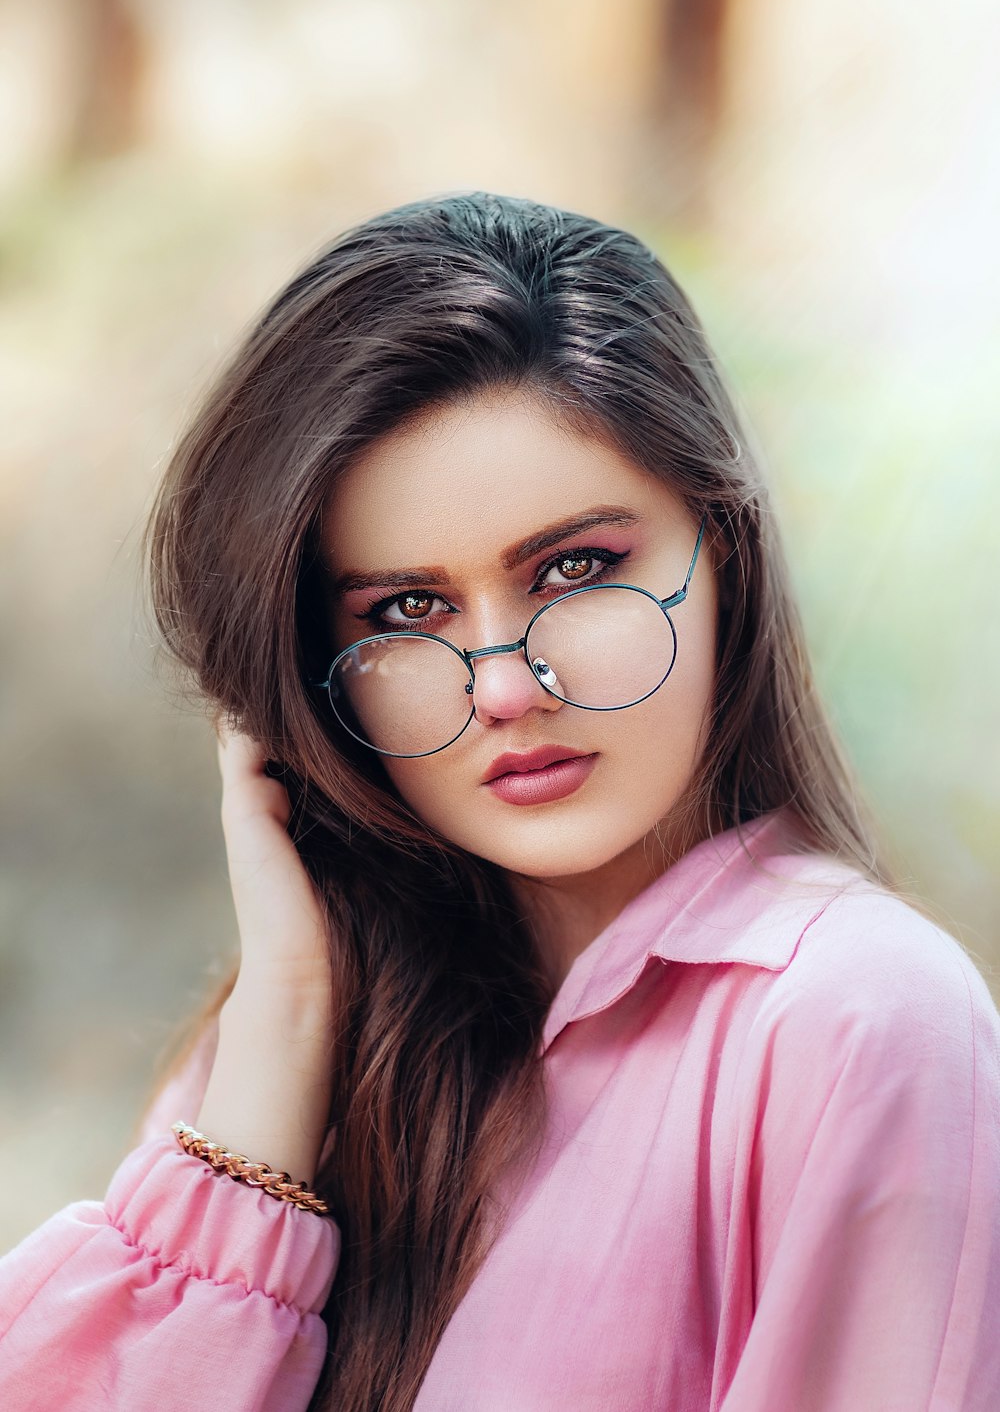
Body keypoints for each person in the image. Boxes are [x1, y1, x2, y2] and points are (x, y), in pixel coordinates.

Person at [0, 191, 997, 1412]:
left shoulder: (853, 1020)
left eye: (575, 569)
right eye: (405, 612)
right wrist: (290, 1025)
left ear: (722, 550)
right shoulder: (286, 1052)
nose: (509, 689)